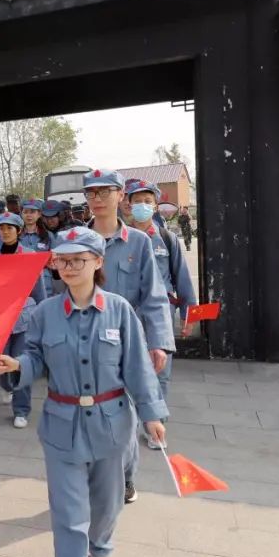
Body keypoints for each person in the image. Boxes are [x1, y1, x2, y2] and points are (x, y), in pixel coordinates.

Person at [0, 227, 168, 557]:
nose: (69, 267)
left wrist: (152, 414)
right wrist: (18, 366)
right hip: (62, 426)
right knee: (69, 517)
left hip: (111, 425)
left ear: (98, 262)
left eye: (78, 260)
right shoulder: (44, 313)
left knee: (107, 504)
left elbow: (137, 367)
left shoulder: (119, 310)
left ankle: (101, 547)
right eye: (62, 260)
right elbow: (35, 359)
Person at [83, 169, 174, 504]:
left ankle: (124, 477)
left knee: (125, 416)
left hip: (126, 343)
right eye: (91, 193)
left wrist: (158, 342)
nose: (97, 199)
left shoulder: (138, 242)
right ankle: (93, 474)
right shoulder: (75, 239)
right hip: (84, 341)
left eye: (105, 191)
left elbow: (154, 296)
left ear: (121, 195)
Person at [125, 180, 198, 448]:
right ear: (128, 205)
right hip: (129, 314)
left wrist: (189, 316)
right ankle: (128, 424)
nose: (142, 206)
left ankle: (155, 428)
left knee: (160, 371)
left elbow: (183, 280)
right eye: (137, 201)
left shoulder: (167, 239)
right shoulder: (122, 238)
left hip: (160, 314)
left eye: (147, 201)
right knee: (127, 370)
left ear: (155, 206)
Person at [0, 212, 46, 428]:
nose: (5, 232)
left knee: (21, 364)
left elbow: (39, 291)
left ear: (19, 231)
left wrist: (42, 318)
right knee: (2, 364)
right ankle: (7, 386)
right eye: (1, 228)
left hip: (24, 318)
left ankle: (21, 410)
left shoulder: (30, 256)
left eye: (9, 228)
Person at [18, 198, 59, 297]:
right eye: (25, 212)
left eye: (32, 212)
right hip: (20, 279)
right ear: (21, 214)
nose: (29, 215)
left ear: (39, 214)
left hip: (44, 280)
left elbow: (56, 259)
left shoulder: (48, 236)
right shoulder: (15, 236)